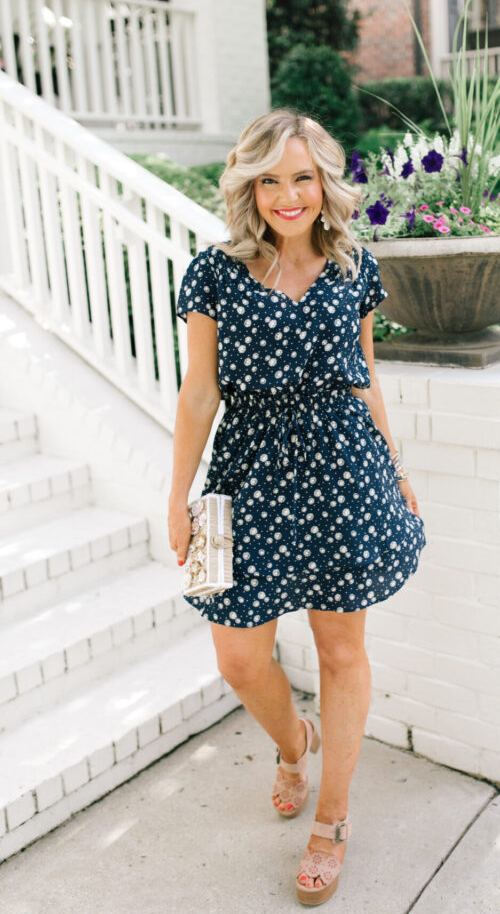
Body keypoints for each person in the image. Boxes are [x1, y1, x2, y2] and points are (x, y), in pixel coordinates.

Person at [168, 108, 426, 905]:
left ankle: (333, 819)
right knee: (237, 656)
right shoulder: (214, 271)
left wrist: (396, 465)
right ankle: (293, 741)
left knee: (340, 650)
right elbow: (199, 392)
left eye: (302, 178)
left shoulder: (355, 269)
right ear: (250, 184)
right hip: (235, 476)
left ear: (324, 183)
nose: (288, 195)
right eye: (270, 179)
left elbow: (363, 377)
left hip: (341, 467)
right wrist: (177, 498)